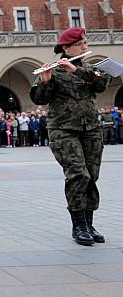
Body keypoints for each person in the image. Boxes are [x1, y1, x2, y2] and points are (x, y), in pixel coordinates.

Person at [30, 27, 109, 246]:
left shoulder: (88, 68)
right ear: (66, 48)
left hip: (90, 129)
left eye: (85, 42)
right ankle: (78, 226)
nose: (85, 46)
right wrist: (45, 81)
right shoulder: (53, 70)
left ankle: (89, 222)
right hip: (63, 130)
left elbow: (102, 84)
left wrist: (76, 70)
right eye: (80, 43)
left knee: (92, 175)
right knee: (77, 174)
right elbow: (38, 99)